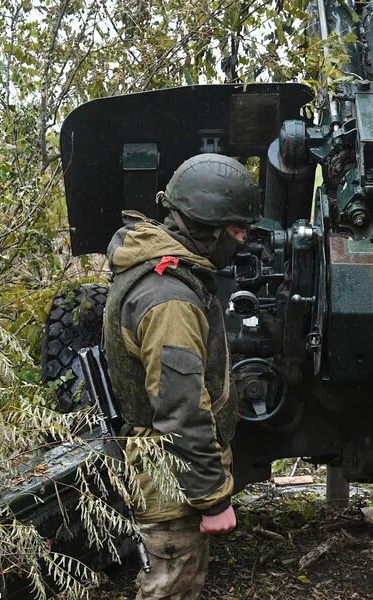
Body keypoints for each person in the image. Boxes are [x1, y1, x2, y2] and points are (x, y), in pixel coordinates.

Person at [103, 153, 261, 599]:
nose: (243, 239)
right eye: (236, 229)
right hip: (170, 478)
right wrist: (213, 499)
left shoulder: (163, 271)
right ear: (207, 227)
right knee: (172, 587)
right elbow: (181, 409)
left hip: (171, 473)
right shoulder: (169, 298)